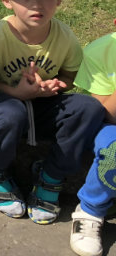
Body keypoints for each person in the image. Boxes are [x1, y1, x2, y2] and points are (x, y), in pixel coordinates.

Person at [0, 0, 105, 224]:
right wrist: (16, 92)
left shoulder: (64, 36)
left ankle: (51, 177)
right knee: (10, 114)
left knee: (88, 107)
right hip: (7, 103)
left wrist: (56, 85)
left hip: (46, 104)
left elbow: (70, 75)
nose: (36, 4)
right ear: (6, 1)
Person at [69, 31, 116, 256]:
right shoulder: (101, 51)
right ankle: (90, 210)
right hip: (113, 124)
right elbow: (106, 114)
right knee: (113, 149)